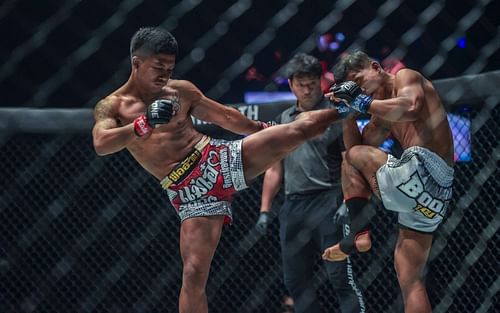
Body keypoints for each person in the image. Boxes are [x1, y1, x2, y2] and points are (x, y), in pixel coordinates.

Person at [92, 27, 345, 313]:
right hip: (188, 191)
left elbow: (224, 116)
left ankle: (352, 106)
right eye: (158, 67)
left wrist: (260, 130)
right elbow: (101, 143)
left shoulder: (180, 91)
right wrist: (143, 124)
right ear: (136, 62)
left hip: (217, 159)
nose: (164, 74)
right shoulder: (111, 106)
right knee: (193, 274)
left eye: (170, 67)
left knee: (298, 129)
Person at [322, 51, 455, 313]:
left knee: (352, 157)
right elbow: (358, 150)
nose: (357, 89)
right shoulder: (380, 113)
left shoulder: (406, 77)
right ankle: (359, 236)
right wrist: (346, 113)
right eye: (352, 87)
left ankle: (358, 235)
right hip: (433, 201)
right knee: (409, 277)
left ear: (375, 67)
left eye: (357, 81)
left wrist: (359, 101)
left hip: (425, 169)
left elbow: (410, 107)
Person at [256, 53, 365, 313]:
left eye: (312, 83)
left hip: (328, 199)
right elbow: (274, 167)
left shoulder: (334, 114)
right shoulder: (284, 119)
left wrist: (347, 200)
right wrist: (264, 210)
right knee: (295, 281)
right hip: (293, 204)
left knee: (340, 277)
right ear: (291, 85)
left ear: (320, 82)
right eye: (301, 84)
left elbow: (349, 160)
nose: (306, 89)